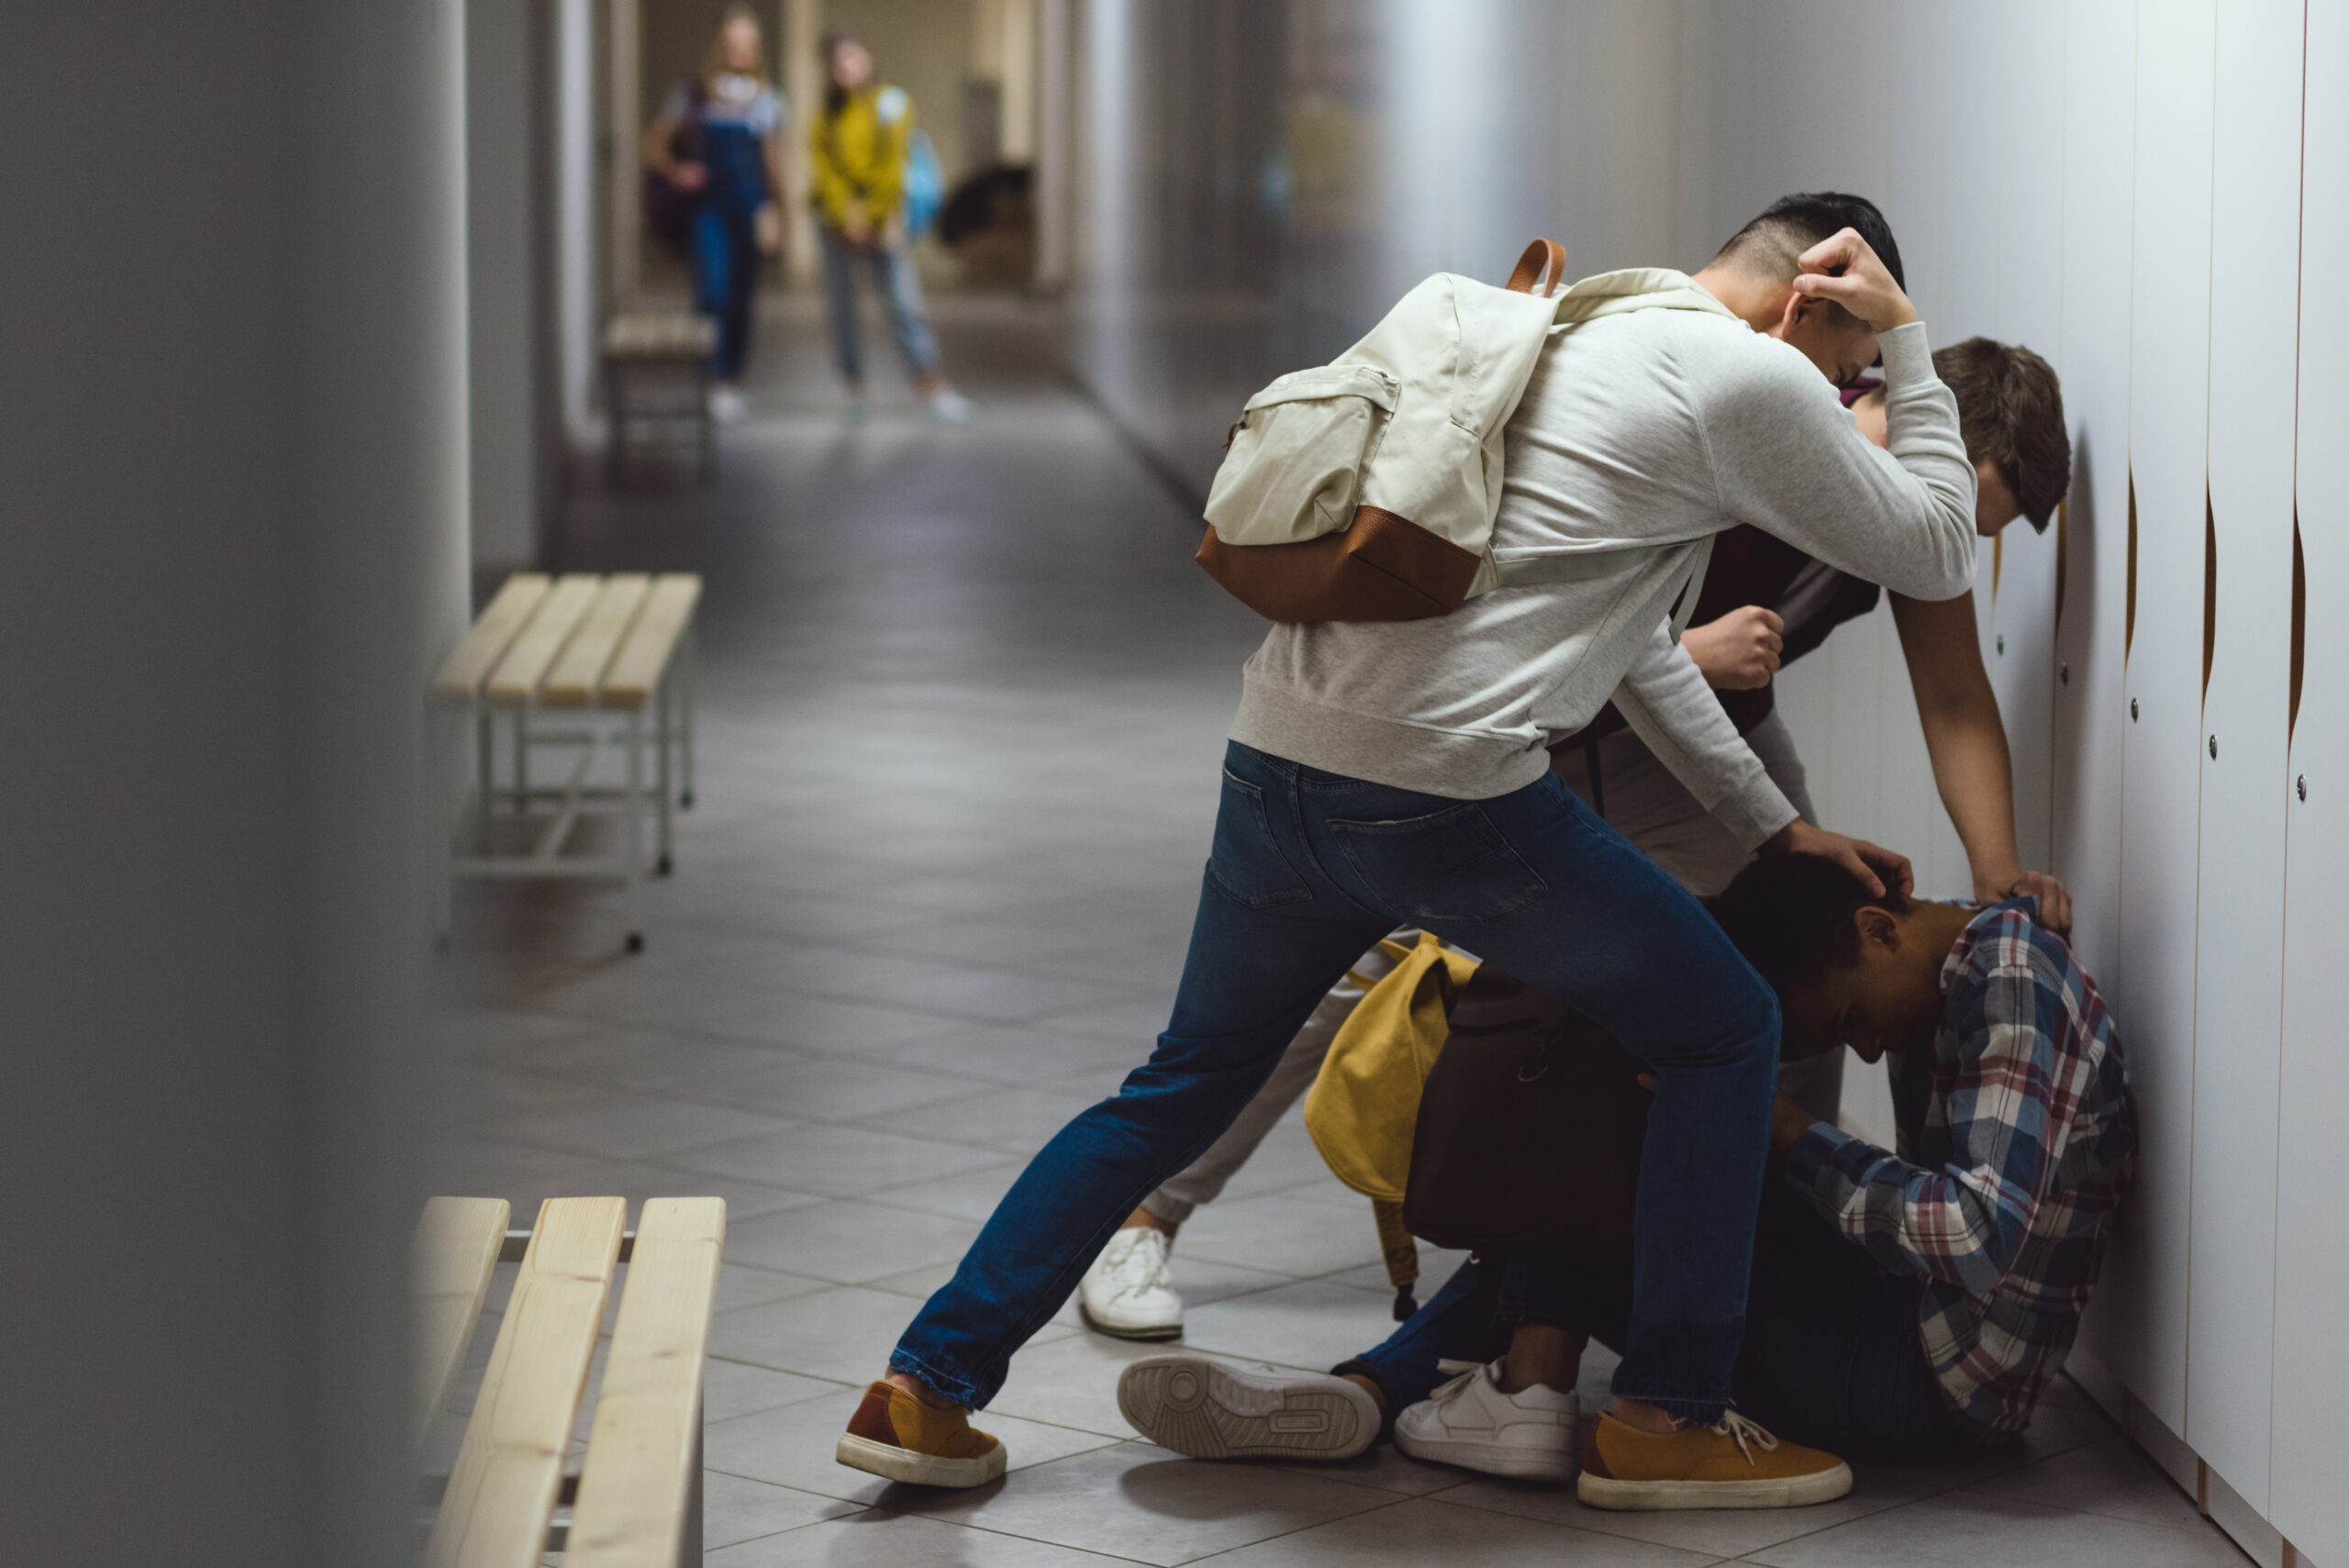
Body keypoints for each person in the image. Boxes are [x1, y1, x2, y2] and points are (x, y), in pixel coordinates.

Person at [834, 192, 1980, 1503]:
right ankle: (1667, 1412)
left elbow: (1640, 650)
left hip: (1278, 760)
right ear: (1811, 303)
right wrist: (1911, 341)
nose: (1840, 398)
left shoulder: (1575, 323)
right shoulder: (1741, 374)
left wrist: (1775, 829)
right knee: (1724, 1024)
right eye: (1844, 371)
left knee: (1182, 1078)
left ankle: (925, 1384)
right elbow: (1937, 542)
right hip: (1447, 794)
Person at [1078, 336, 2078, 1342]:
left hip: (1707, 743)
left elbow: (1953, 696)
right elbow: (1537, 592)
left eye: (1966, 529)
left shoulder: (1919, 517)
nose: (1941, 543)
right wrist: (1685, 655)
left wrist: (2000, 883)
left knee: (1801, 952)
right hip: (1529, 718)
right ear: (1908, 428)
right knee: (1354, 954)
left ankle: (1743, 1266)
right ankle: (1145, 1214)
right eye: (1951, 509)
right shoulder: (1762, 426)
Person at [1119, 851, 2133, 1509]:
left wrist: (1789, 1133)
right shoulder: (1959, 972)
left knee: (1647, 1142)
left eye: (1843, 1021)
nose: (1867, 1048)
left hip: (1931, 1388)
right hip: (1905, 1337)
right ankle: (1403, 1388)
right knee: (1649, 1145)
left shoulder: (2004, 971)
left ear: (1877, 930)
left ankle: (1454, 1385)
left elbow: (1972, 1233)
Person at [808, 30, 971, 425]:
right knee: (842, 307)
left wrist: (872, 215)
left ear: (869, 61)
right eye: (839, 62)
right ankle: (853, 386)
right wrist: (846, 215)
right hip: (835, 222)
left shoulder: (892, 104)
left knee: (903, 301)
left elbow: (891, 163)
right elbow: (826, 172)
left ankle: (928, 382)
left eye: (854, 59)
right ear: (830, 70)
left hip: (883, 220)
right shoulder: (825, 117)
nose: (848, 67)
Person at [641, 4, 787, 423]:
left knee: (742, 296)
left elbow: (775, 165)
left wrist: (782, 218)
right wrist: (678, 170)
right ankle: (711, 377)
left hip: (749, 206)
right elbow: (655, 144)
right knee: (714, 292)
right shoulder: (693, 95)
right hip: (709, 209)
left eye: (749, 44)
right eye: (733, 43)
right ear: (720, 46)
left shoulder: (767, 100)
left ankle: (732, 378)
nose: (740, 51)